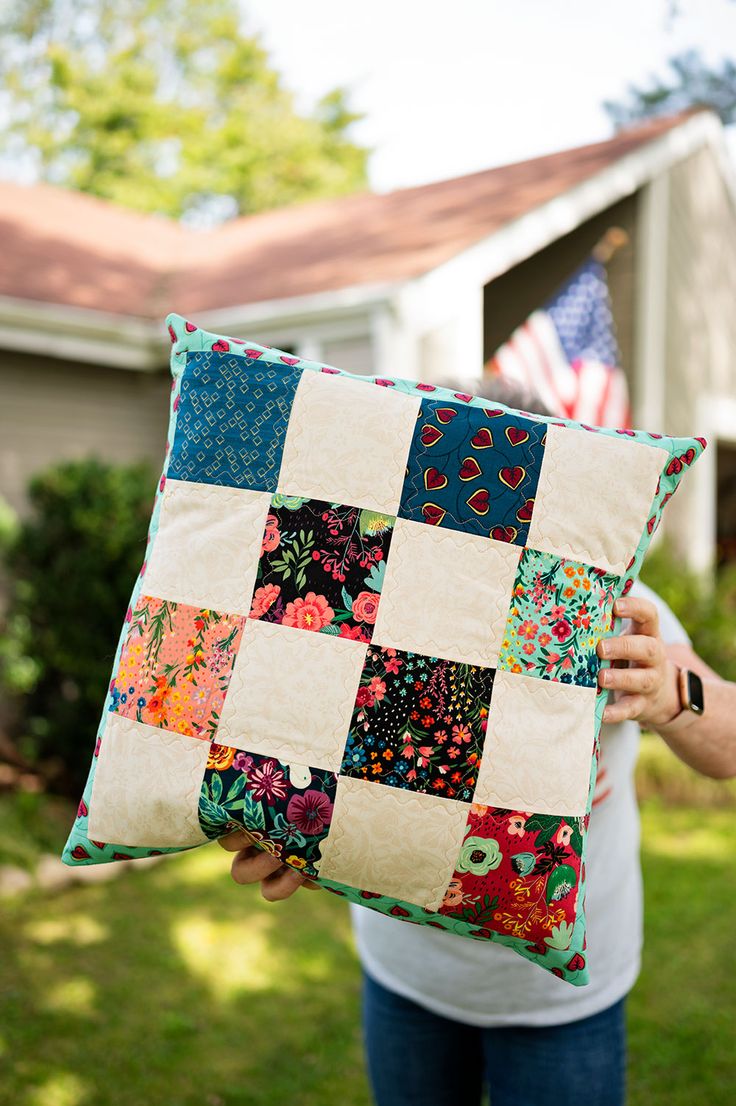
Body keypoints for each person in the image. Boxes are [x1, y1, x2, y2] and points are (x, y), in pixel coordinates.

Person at [217, 375, 736, 1106]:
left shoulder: (605, 603)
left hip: (559, 999)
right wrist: (291, 826)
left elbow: (729, 746)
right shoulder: (371, 598)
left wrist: (673, 693)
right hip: (406, 978)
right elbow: (302, 747)